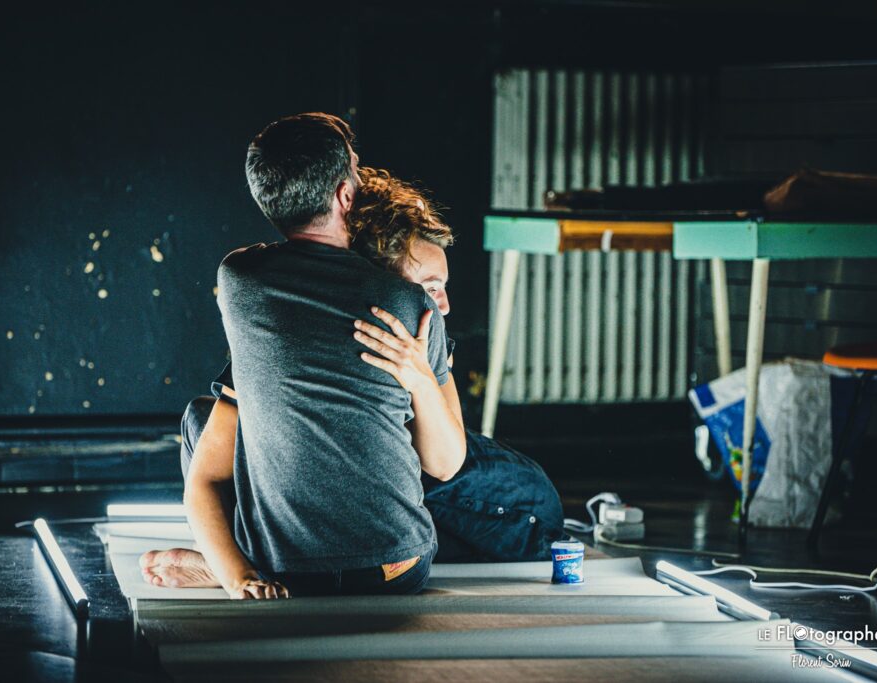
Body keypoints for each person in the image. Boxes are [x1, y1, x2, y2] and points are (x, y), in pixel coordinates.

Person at [142, 166, 564, 594]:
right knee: (203, 421)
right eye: (431, 288)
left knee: (533, 504)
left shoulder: (419, 332)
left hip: (409, 483)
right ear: (377, 281)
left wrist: (420, 380)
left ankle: (244, 559)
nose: (444, 306)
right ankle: (245, 560)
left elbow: (445, 462)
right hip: (325, 507)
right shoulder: (301, 322)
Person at [141, 113, 464, 600]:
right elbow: (444, 464)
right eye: (353, 170)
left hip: (281, 572)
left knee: (204, 418)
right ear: (343, 197)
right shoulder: (410, 307)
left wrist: (238, 578)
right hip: (397, 570)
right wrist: (421, 380)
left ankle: (224, 557)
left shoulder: (239, 280)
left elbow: (206, 478)